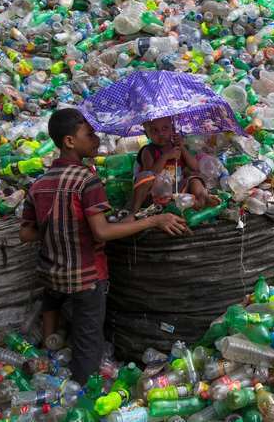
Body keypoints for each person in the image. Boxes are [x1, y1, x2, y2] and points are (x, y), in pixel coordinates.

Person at [19, 108, 188, 383]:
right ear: (69, 142)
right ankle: (82, 394)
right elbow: (102, 231)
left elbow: (25, 234)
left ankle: (52, 364)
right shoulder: (87, 179)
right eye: (89, 134)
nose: (96, 140)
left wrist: (61, 225)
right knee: (88, 344)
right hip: (87, 277)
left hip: (53, 274)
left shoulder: (39, 184)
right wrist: (153, 221)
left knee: (66, 329)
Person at [130, 115, 219, 211]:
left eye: (165, 128)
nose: (161, 133)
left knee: (194, 179)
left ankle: (203, 196)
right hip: (158, 192)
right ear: (147, 134)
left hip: (178, 188)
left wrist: (182, 147)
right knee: (156, 195)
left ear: (172, 129)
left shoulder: (176, 147)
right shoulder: (148, 151)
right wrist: (165, 157)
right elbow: (149, 176)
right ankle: (193, 203)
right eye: (154, 130)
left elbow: (195, 167)